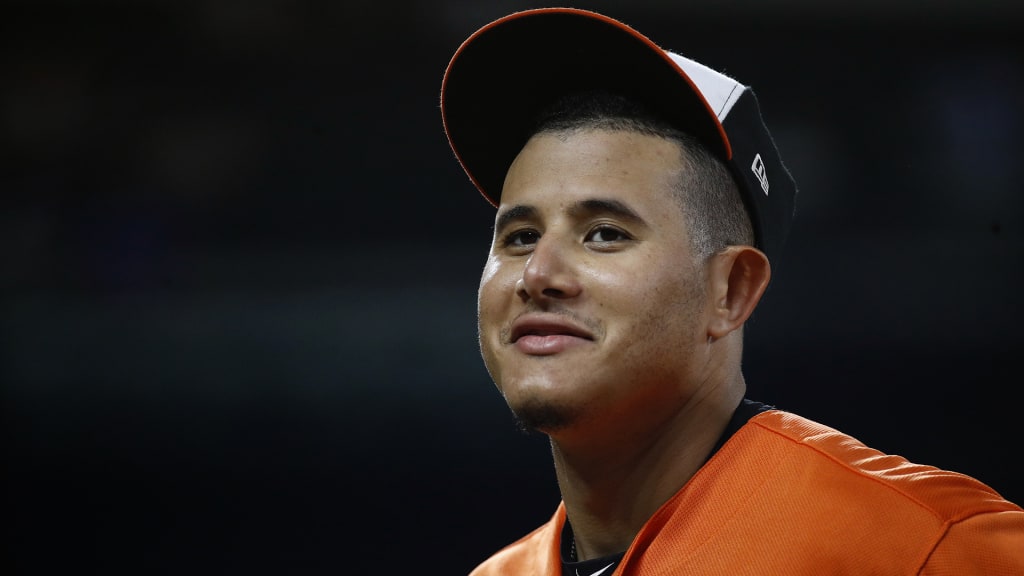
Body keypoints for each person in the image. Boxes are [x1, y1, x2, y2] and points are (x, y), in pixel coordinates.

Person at [439, 7, 1024, 576]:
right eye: (519, 236)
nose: (538, 274)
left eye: (605, 234)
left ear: (731, 289)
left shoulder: (925, 546)